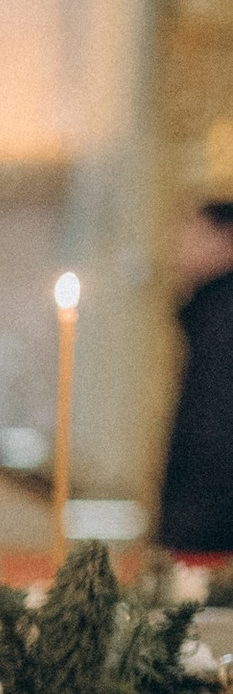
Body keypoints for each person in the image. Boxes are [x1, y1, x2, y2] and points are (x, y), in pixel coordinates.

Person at [157, 203, 233, 557]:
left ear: (226, 241)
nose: (178, 246)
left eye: (192, 234)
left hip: (209, 527)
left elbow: (211, 428)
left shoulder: (222, 319)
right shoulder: (209, 312)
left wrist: (185, 524)